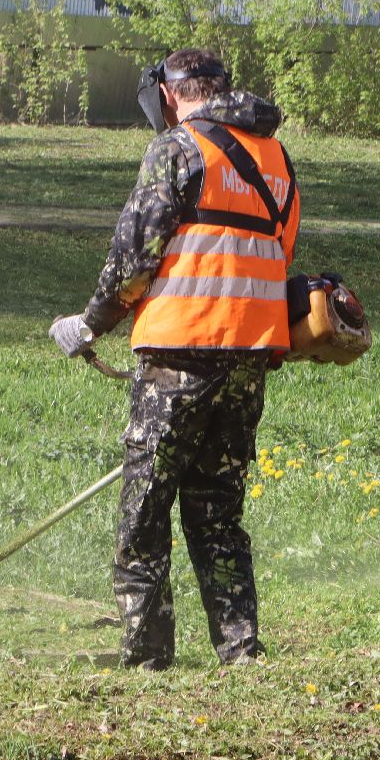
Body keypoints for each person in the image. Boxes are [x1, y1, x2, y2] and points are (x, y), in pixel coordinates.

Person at [48, 48, 298, 668]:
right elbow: (279, 251)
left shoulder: (178, 149)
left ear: (169, 93)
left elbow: (136, 254)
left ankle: (147, 656)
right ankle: (240, 648)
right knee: (218, 512)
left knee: (145, 510)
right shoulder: (276, 158)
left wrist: (90, 323)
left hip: (178, 355)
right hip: (248, 358)